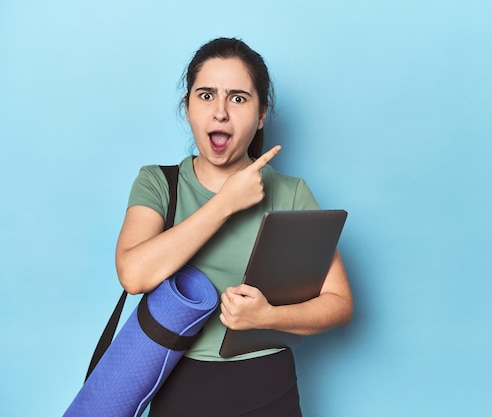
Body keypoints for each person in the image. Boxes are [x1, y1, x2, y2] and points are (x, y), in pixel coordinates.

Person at [115, 37, 353, 417]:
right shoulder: (157, 183)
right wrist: (225, 204)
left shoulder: (290, 193)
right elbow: (133, 275)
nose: (220, 112)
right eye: (206, 95)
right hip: (176, 378)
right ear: (188, 107)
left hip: (267, 383)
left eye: (238, 98)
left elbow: (339, 304)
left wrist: (268, 317)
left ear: (261, 115)